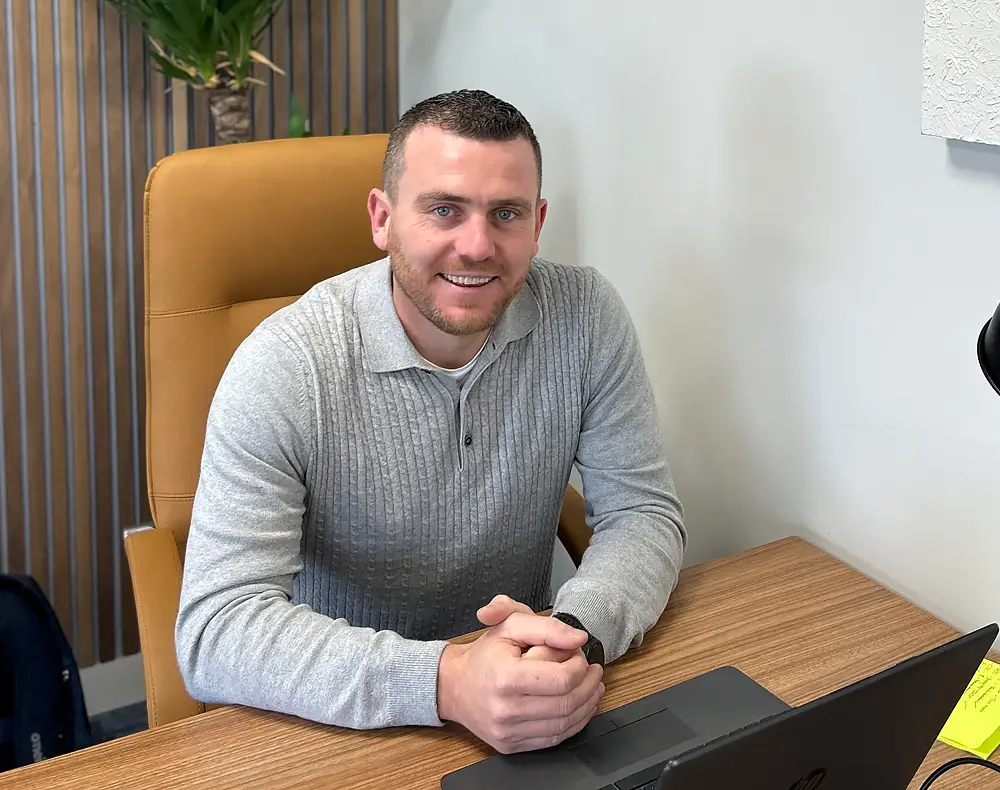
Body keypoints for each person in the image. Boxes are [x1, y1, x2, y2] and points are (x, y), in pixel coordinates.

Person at [175, 88, 687, 755]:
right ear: (382, 218)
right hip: (340, 720)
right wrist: (447, 679)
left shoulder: (586, 317)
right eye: (444, 209)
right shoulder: (285, 364)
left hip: (523, 700)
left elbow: (642, 513)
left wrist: (573, 633)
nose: (476, 246)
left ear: (537, 225)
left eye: (505, 214)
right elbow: (218, 628)